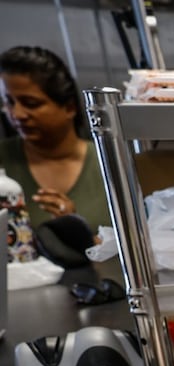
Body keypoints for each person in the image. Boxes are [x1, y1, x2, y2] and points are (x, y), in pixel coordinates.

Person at [1, 46, 110, 262]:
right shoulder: (4, 161)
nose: (17, 114)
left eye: (31, 104)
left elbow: (138, 247)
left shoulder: (108, 165)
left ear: (69, 107)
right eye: (9, 103)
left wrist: (78, 234)